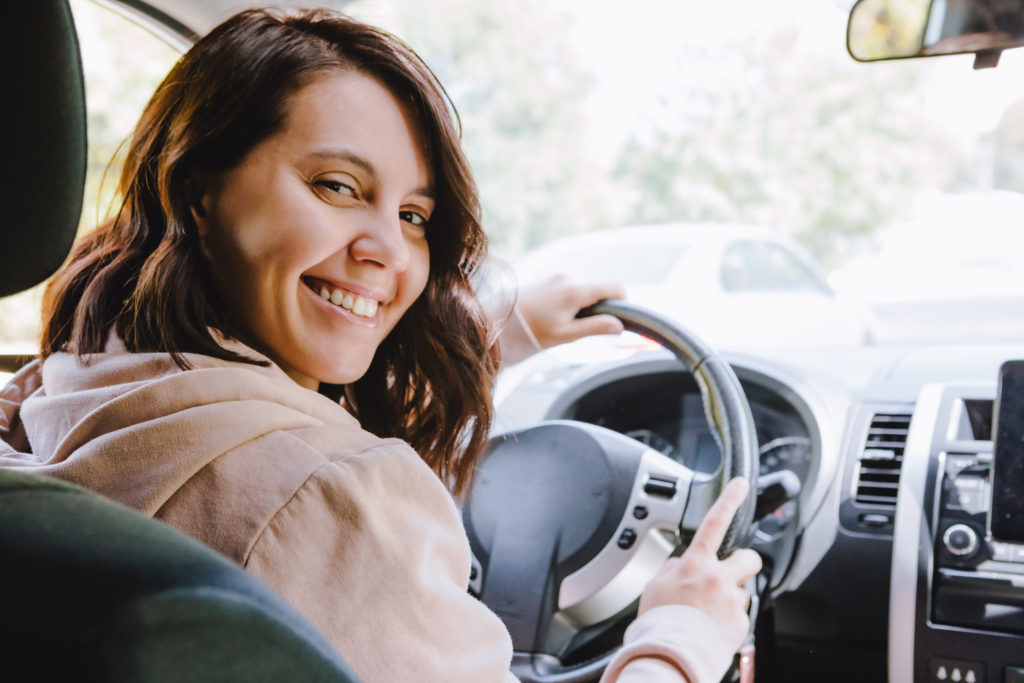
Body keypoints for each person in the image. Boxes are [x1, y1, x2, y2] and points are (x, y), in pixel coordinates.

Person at [0, 8, 760, 683]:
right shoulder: (344, 501)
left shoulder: (59, 389)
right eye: (337, 186)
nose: (391, 254)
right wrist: (679, 635)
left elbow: (235, 431)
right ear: (200, 191)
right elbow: (288, 483)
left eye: (415, 216)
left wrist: (504, 330)